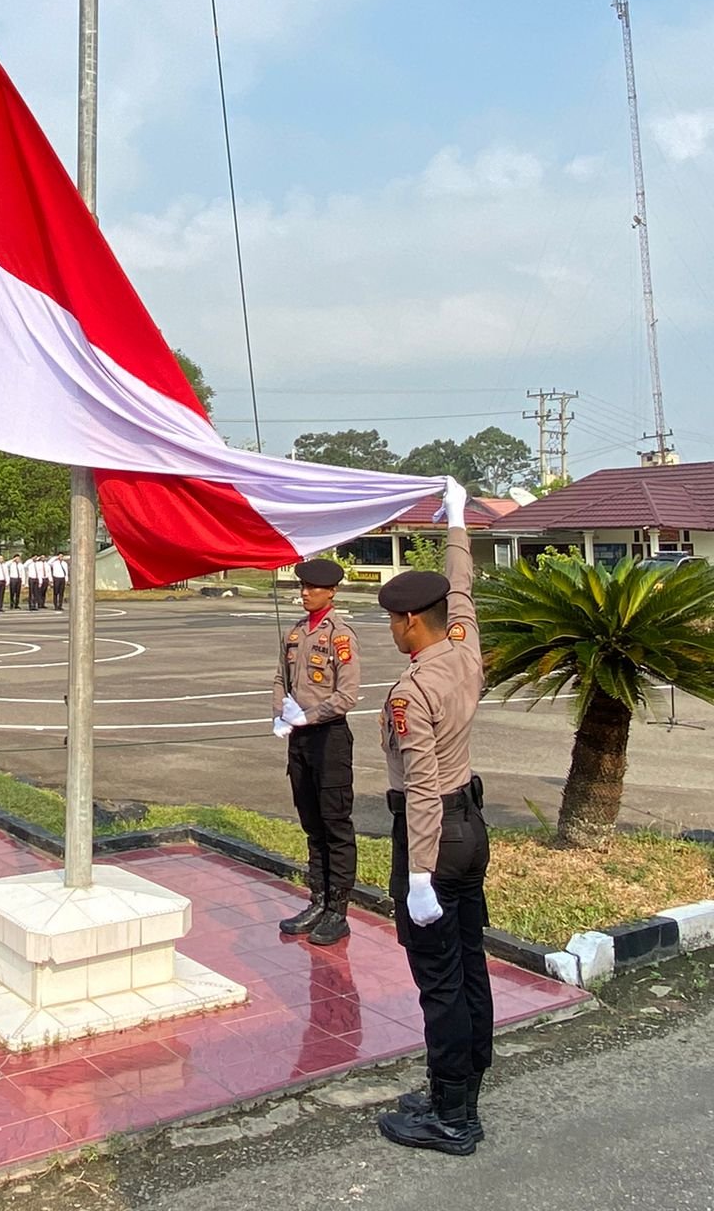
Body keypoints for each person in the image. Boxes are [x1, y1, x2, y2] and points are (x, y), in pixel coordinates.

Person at [374, 477, 492, 1157]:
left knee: (440, 981)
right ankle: (467, 1080)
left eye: (392, 620)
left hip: (435, 839)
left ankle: (452, 1117)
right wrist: (455, 521)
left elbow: (419, 787)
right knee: (469, 962)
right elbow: (464, 588)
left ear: (411, 621)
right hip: (470, 829)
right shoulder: (463, 648)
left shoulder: (413, 688)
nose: (389, 629)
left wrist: (417, 874)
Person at [272, 558, 360, 944]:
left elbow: (347, 695)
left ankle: (338, 910)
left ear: (331, 592)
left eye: (312, 588)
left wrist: (308, 716)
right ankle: (318, 900)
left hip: (329, 738)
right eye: (302, 587)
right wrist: (282, 713)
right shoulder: (294, 634)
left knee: (334, 825)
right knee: (311, 823)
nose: (304, 593)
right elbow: (281, 678)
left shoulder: (340, 636)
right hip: (300, 738)